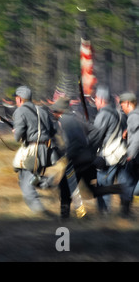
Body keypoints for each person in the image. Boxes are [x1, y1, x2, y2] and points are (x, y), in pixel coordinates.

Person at [49, 97, 123, 219]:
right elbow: (93, 131)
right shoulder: (76, 119)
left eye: (55, 111)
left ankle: (64, 218)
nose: (54, 113)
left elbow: (75, 143)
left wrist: (67, 154)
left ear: (60, 111)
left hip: (77, 159)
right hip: (87, 158)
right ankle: (120, 188)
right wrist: (88, 147)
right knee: (91, 190)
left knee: (64, 187)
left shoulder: (65, 120)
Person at [12, 86, 56, 215]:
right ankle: (48, 182)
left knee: (27, 186)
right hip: (45, 149)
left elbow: (17, 136)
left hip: (32, 150)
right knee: (25, 177)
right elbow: (52, 131)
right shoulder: (42, 110)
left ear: (20, 99)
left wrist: (16, 132)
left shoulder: (20, 112)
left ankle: (40, 212)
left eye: (16, 98)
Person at [89, 85, 132, 216]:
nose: (95, 101)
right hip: (123, 155)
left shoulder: (103, 114)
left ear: (101, 100)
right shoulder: (121, 114)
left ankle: (104, 216)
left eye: (96, 99)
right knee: (124, 185)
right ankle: (125, 213)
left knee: (104, 186)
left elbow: (95, 137)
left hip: (108, 156)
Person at [119, 92, 139, 215]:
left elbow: (137, 138)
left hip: (136, 156)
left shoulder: (133, 116)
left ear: (127, 103)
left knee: (126, 182)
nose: (122, 108)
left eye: (122, 105)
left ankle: (125, 212)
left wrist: (130, 155)